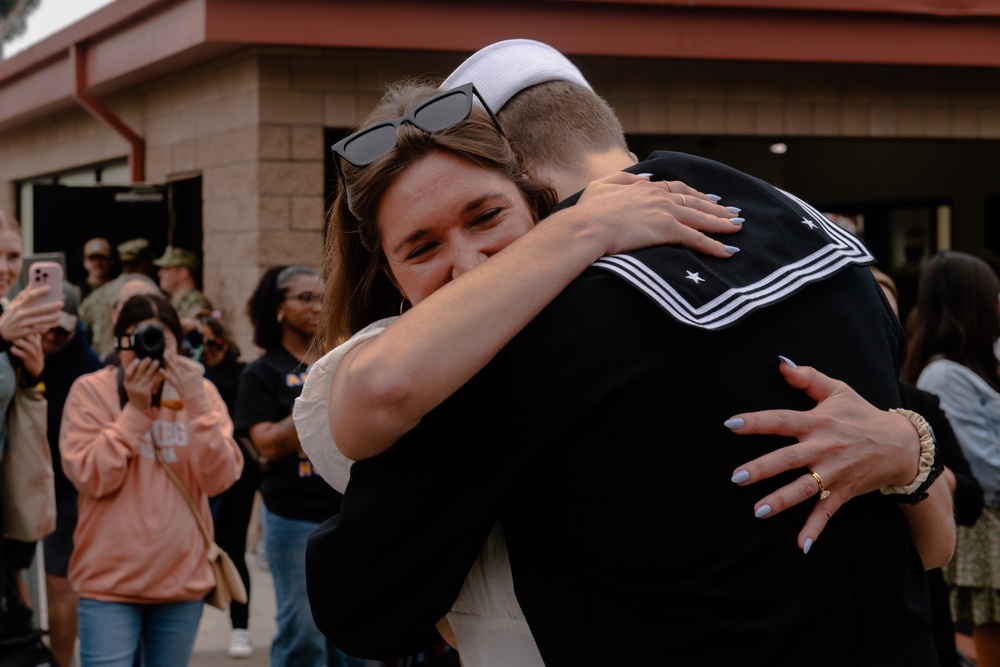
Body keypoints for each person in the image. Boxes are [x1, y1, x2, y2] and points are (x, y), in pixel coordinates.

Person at [303, 45, 951, 666]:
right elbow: (932, 537)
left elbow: (360, 603)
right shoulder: (828, 250)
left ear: (532, 189)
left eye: (485, 216)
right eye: (421, 247)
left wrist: (908, 447)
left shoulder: (528, 342)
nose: (471, 270)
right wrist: (912, 444)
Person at [59, 292, 243, 667]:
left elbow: (220, 478)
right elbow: (91, 476)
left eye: (160, 340)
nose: (148, 350)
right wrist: (136, 412)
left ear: (177, 344)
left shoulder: (201, 395)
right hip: (108, 584)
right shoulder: (90, 391)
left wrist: (198, 406)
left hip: (180, 582)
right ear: (118, 342)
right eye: (138, 338)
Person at [232, 266, 361, 667]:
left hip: (350, 514)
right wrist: (316, 395)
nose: (317, 307)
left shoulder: (344, 360)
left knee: (353, 635)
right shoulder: (262, 373)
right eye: (305, 298)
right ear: (278, 309)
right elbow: (268, 445)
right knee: (303, 630)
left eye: (323, 297)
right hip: (292, 519)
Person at [873, 266, 985, 667]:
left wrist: (915, 462)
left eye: (890, 310)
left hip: (920, 589)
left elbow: (972, 498)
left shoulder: (919, 402)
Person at [902, 250, 1000, 667]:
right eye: (993, 294)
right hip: (991, 531)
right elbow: (986, 469)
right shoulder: (945, 376)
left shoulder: (980, 366)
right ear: (972, 302)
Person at [0, 208, 63, 646]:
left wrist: (32, 376)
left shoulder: (9, 313)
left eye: (13, 256)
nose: (6, 268)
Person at [36, 281, 104, 667]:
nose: (50, 334)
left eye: (59, 327)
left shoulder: (87, 365)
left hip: (68, 487)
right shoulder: (16, 347)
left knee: (62, 579)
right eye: (43, 324)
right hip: (25, 476)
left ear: (76, 322)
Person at [196, 313, 258, 659]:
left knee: (231, 546)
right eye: (200, 342)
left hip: (236, 471)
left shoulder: (240, 371)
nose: (207, 349)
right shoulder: (189, 371)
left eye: (212, 340)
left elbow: (233, 414)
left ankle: (240, 626)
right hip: (196, 468)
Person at [79, 238, 158, 359]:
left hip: (102, 363)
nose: (97, 263)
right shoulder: (153, 292)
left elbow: (80, 329)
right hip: (142, 360)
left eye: (102, 258)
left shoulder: (98, 295)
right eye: (92, 259)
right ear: (144, 263)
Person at [153, 246, 213, 336]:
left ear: (183, 272)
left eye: (166, 269)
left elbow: (197, 331)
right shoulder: (168, 301)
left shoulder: (197, 302)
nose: (160, 273)